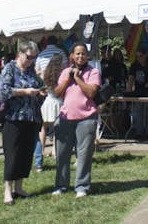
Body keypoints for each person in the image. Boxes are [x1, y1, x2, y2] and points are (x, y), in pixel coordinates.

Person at [0, 40, 45, 205]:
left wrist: (40, 92)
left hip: (30, 118)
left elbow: (39, 86)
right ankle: (7, 191)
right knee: (12, 154)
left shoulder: (31, 70)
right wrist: (24, 92)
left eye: (34, 57)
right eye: (29, 57)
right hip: (14, 119)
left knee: (25, 155)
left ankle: (19, 187)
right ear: (20, 53)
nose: (31, 60)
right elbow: (3, 92)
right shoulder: (10, 68)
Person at [53, 42, 101, 198]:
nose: (80, 56)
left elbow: (92, 93)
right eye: (77, 53)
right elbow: (57, 92)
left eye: (83, 53)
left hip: (86, 119)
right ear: (72, 56)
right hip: (66, 118)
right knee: (62, 154)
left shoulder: (93, 72)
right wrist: (68, 79)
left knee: (84, 154)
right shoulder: (65, 72)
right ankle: (61, 185)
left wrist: (78, 79)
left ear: (87, 56)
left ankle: (81, 186)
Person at [35, 53, 65, 172]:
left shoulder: (45, 73)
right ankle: (55, 151)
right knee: (57, 129)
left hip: (47, 102)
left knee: (43, 128)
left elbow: (43, 89)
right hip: (58, 102)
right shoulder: (61, 75)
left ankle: (40, 151)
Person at [126, 49, 148, 138]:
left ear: (145, 56)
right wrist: (129, 92)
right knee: (138, 111)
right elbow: (131, 78)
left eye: (140, 56)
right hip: (138, 93)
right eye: (137, 56)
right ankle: (139, 133)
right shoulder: (134, 66)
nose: (138, 58)